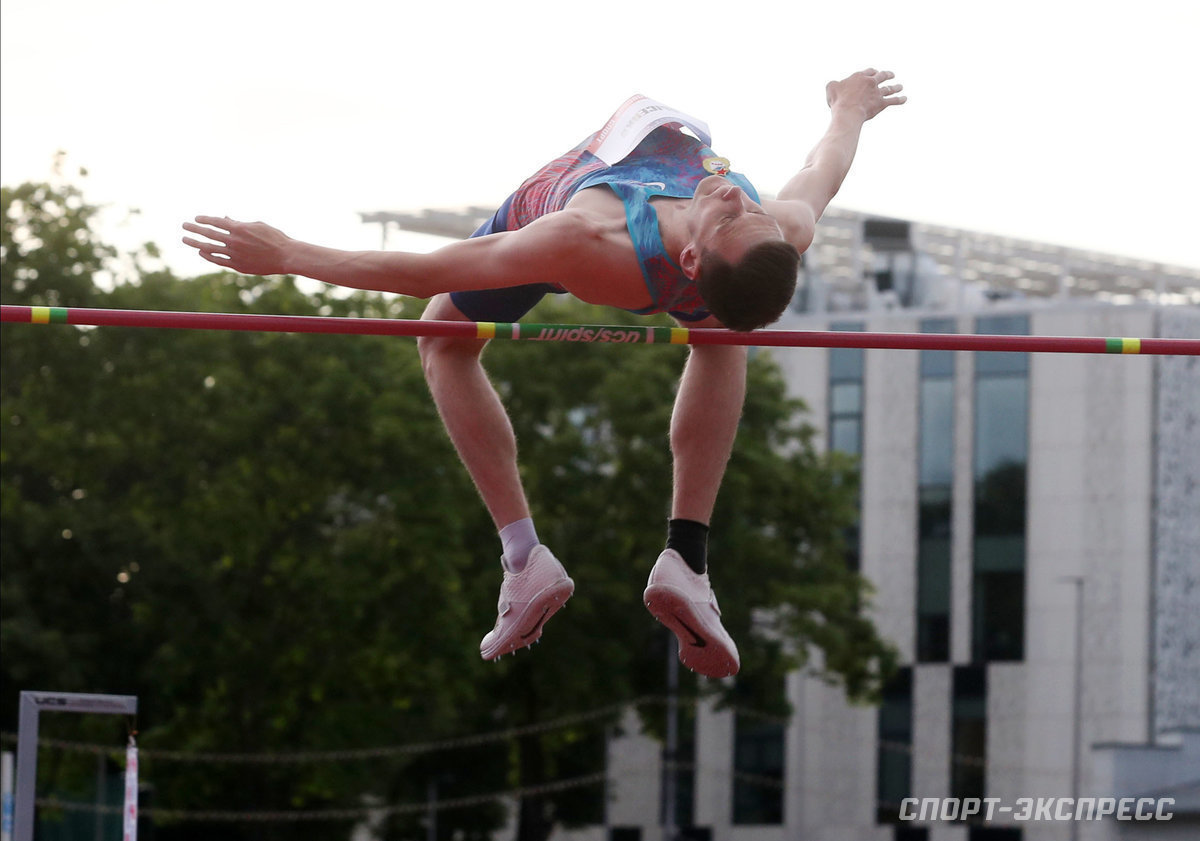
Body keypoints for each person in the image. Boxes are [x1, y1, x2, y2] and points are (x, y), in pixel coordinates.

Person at [182, 69, 906, 679]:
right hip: (677, 266)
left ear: (695, 259)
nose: (737, 198)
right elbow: (820, 173)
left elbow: (422, 273)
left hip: (559, 209)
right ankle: (686, 557)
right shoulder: (777, 229)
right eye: (746, 206)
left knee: (441, 340)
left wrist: (289, 254)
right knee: (721, 335)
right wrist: (848, 108)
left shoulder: (584, 239)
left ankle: (525, 557)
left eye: (734, 214)